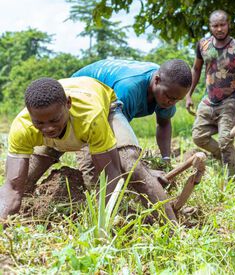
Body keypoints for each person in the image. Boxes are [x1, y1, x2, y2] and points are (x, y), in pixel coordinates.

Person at [71, 59, 194, 222]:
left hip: (106, 107)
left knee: (133, 170)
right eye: (169, 97)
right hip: (79, 98)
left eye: (176, 100)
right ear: (156, 80)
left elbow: (164, 123)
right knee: (96, 171)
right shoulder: (129, 89)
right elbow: (114, 143)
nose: (171, 103)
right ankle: (110, 214)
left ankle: (144, 205)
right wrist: (147, 173)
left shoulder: (169, 88)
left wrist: (165, 161)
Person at [0, 77, 122, 220]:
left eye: (54, 120)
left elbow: (111, 174)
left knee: (115, 169)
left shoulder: (91, 118)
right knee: (25, 179)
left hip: (102, 115)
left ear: (68, 104)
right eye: (39, 122)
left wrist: (105, 222)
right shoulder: (23, 127)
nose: (48, 128)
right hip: (65, 130)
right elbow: (12, 188)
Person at [186, 10, 235, 176]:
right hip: (209, 100)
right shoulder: (203, 45)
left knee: (225, 140)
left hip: (229, 101)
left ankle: (232, 177)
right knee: (198, 137)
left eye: (222, 25)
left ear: (228, 24)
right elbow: (196, 69)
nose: (219, 29)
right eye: (215, 26)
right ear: (210, 27)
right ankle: (225, 157)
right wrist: (188, 94)